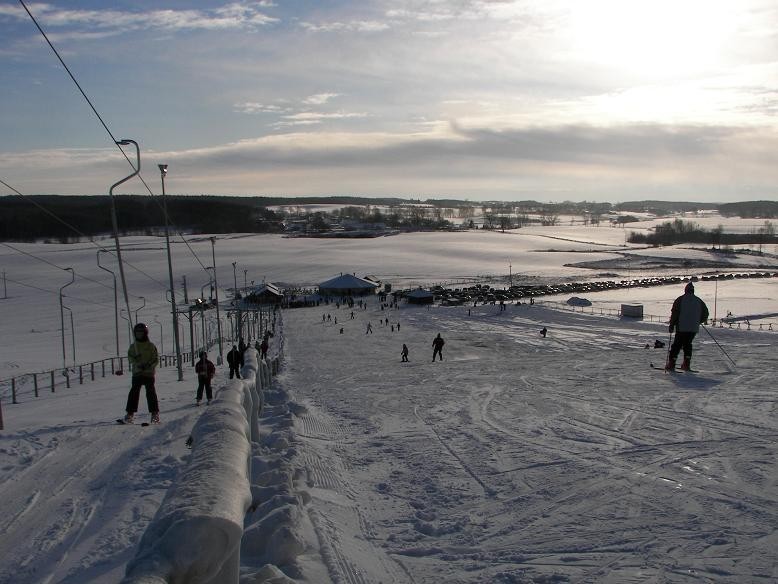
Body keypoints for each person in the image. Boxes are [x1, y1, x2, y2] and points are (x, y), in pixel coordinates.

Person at [667, 282, 709, 371]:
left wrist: (672, 325)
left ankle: (671, 363)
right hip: (693, 328)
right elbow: (706, 313)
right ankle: (686, 364)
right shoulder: (699, 300)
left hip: (681, 327)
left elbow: (675, 313)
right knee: (687, 344)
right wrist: (698, 321)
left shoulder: (680, 299)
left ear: (685, 290)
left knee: (677, 345)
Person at [123, 322, 160, 424]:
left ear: (145, 333)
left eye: (141, 333)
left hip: (148, 373)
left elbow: (155, 359)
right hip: (137, 373)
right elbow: (130, 357)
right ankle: (130, 414)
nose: (139, 335)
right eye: (137, 333)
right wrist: (136, 362)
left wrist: (149, 365)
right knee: (134, 392)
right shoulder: (133, 346)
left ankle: (154, 414)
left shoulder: (151, 346)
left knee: (151, 393)